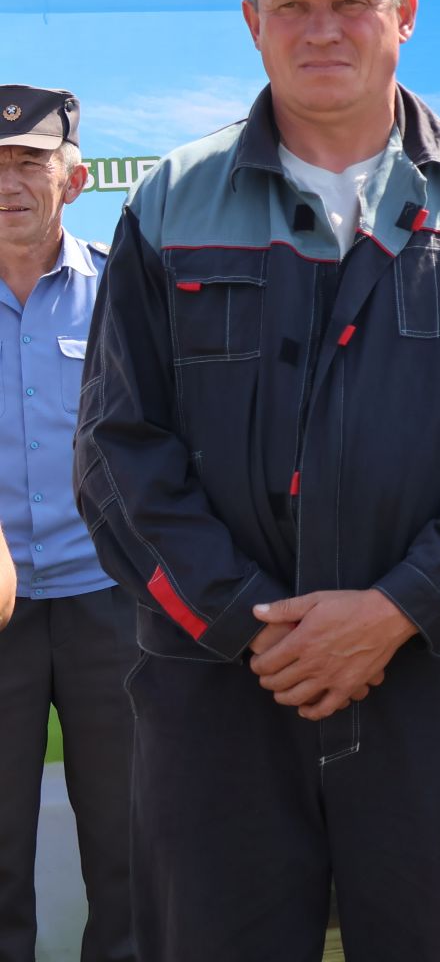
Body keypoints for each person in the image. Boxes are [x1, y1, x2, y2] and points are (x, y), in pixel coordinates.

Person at [74, 0, 440, 961]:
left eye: (351, 0)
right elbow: (119, 450)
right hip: (220, 686)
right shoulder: (170, 201)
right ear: (252, 22)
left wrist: (395, 609)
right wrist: (261, 625)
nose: (322, 27)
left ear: (406, 14)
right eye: (291, 3)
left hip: (434, 677)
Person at [0, 87, 133, 962]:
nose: (8, 180)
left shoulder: (125, 293)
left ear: (75, 178)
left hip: (109, 602)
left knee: (130, 841)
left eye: (28, 161)